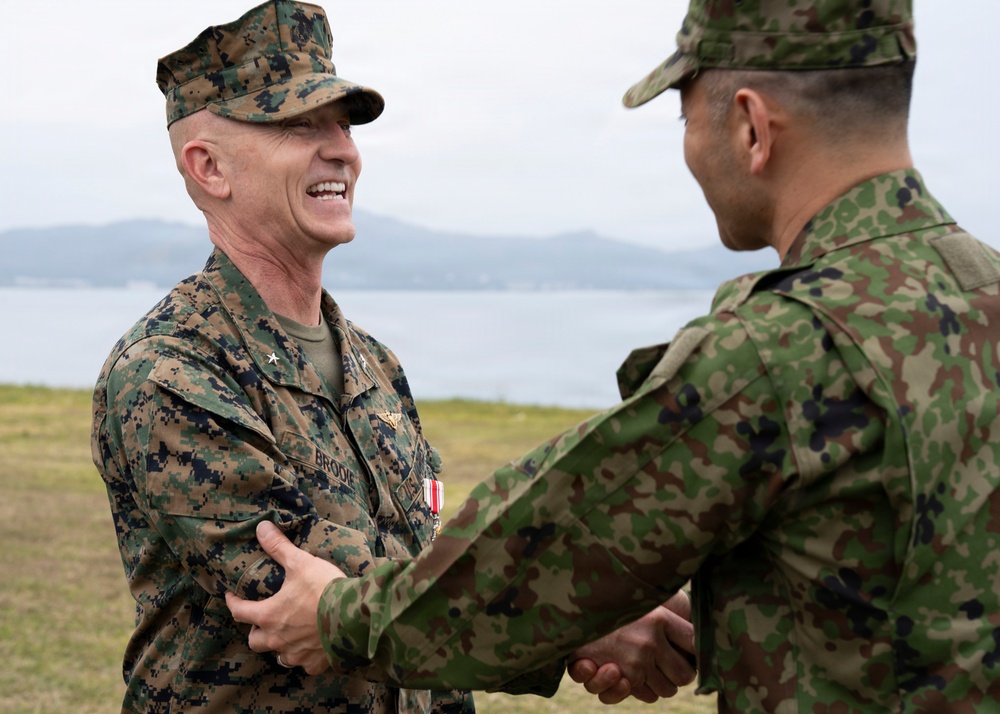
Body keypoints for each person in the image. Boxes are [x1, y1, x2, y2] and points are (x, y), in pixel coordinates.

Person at [226, 0, 1000, 711]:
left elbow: (542, 550)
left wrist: (334, 620)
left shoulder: (777, 352)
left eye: (685, 119)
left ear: (752, 128)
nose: (691, 150)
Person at [91, 2, 485, 712]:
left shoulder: (375, 364)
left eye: (342, 125)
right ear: (209, 167)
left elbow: (420, 568)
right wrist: (576, 618)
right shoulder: (169, 371)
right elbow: (319, 592)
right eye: (298, 124)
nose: (342, 149)